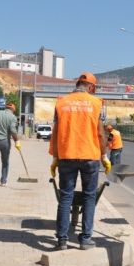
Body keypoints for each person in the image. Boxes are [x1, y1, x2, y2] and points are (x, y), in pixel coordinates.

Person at [50, 72, 111, 250]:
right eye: (95, 88)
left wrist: (55, 157)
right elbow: (100, 133)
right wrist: (104, 156)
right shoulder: (96, 103)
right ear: (91, 87)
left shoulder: (61, 102)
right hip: (90, 157)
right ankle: (85, 240)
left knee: (65, 197)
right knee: (89, 197)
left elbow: (56, 132)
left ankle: (61, 240)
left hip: (66, 156)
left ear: (78, 84)